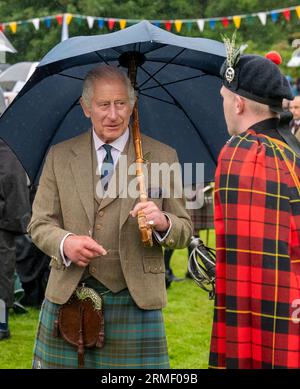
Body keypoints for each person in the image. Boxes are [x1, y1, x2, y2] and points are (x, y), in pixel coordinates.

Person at [28, 64, 192, 369]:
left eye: (121, 104)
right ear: (86, 107)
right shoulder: (60, 156)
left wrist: (163, 222)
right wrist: (65, 243)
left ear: (132, 105)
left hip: (135, 300)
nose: (113, 115)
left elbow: (184, 230)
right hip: (69, 297)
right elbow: (38, 224)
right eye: (104, 105)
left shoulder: (161, 156)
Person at [209, 50, 300, 368]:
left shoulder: (243, 151)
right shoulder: (292, 149)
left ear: (238, 103)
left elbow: (245, 253)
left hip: (266, 318)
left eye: (224, 96)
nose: (222, 105)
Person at [0, 139, 31, 340]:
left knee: (3, 270)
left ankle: (1, 324)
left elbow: (12, 177)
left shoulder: (6, 145)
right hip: (7, 217)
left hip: (4, 218)